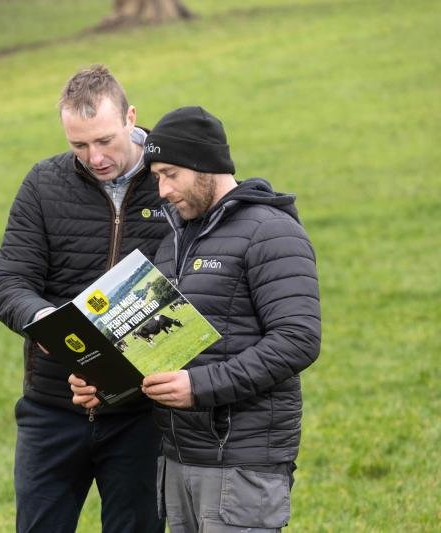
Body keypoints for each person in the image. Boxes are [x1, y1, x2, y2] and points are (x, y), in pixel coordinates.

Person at [71, 106, 321, 532]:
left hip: (241, 461)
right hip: (177, 457)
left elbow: (297, 340)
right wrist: (107, 385)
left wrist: (198, 387)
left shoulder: (271, 231)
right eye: (157, 178)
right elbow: (166, 346)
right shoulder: (174, 241)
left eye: (171, 174)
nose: (163, 190)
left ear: (205, 165)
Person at [0, 65, 169, 533]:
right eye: (79, 145)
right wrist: (47, 322)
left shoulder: (172, 181)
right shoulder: (43, 184)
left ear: (132, 117)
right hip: (52, 410)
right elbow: (9, 283)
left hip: (142, 416)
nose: (94, 157)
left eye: (105, 140)